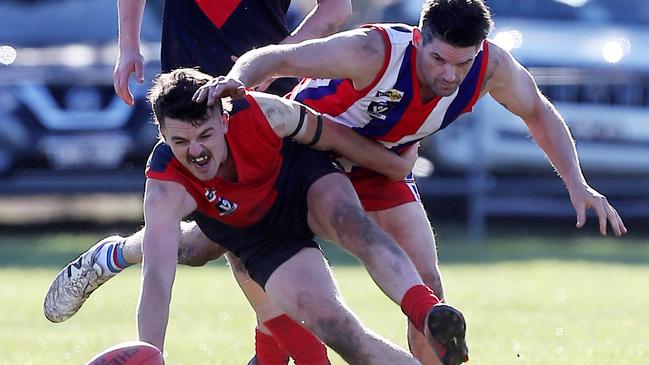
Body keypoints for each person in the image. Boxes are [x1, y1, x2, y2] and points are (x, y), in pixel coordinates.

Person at [57, 67, 466, 365]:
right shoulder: (165, 184)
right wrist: (152, 354)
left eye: (205, 135)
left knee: (351, 223)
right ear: (162, 136)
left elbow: (333, 135)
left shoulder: (264, 113)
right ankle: (116, 254)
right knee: (336, 328)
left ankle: (424, 310)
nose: (196, 151)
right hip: (259, 237)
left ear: (224, 117)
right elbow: (158, 279)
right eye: (180, 141)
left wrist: (390, 166)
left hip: (302, 184)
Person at [113, 1, 352, 364]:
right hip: (188, 104)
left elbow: (337, 8)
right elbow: (159, 278)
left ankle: (122, 251)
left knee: (246, 247)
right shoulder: (188, 136)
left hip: (270, 99)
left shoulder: (271, 110)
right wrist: (128, 44)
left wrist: (280, 58)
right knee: (243, 243)